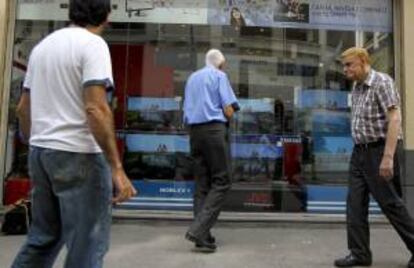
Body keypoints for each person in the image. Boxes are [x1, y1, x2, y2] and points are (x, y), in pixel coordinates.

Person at [11, 0, 137, 267]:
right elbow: (96, 108)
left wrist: (37, 143)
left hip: (41, 153)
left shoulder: (42, 47)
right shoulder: (93, 45)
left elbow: (23, 108)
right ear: (106, 16)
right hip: (79, 155)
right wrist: (116, 168)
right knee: (88, 245)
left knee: (43, 238)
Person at [334, 47, 414, 267]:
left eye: (349, 64)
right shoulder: (357, 87)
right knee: (355, 204)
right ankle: (360, 253)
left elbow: (395, 119)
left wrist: (387, 157)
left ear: (362, 60)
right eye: (344, 65)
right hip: (359, 152)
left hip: (379, 151)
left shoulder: (382, 82)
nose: (345, 69)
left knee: (391, 204)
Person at [183, 49, 240, 252]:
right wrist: (231, 116)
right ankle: (198, 229)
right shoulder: (219, 75)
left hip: (194, 132)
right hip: (214, 131)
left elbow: (186, 109)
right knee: (223, 180)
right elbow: (228, 108)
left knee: (202, 184)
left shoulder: (192, 78)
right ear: (220, 63)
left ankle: (203, 237)